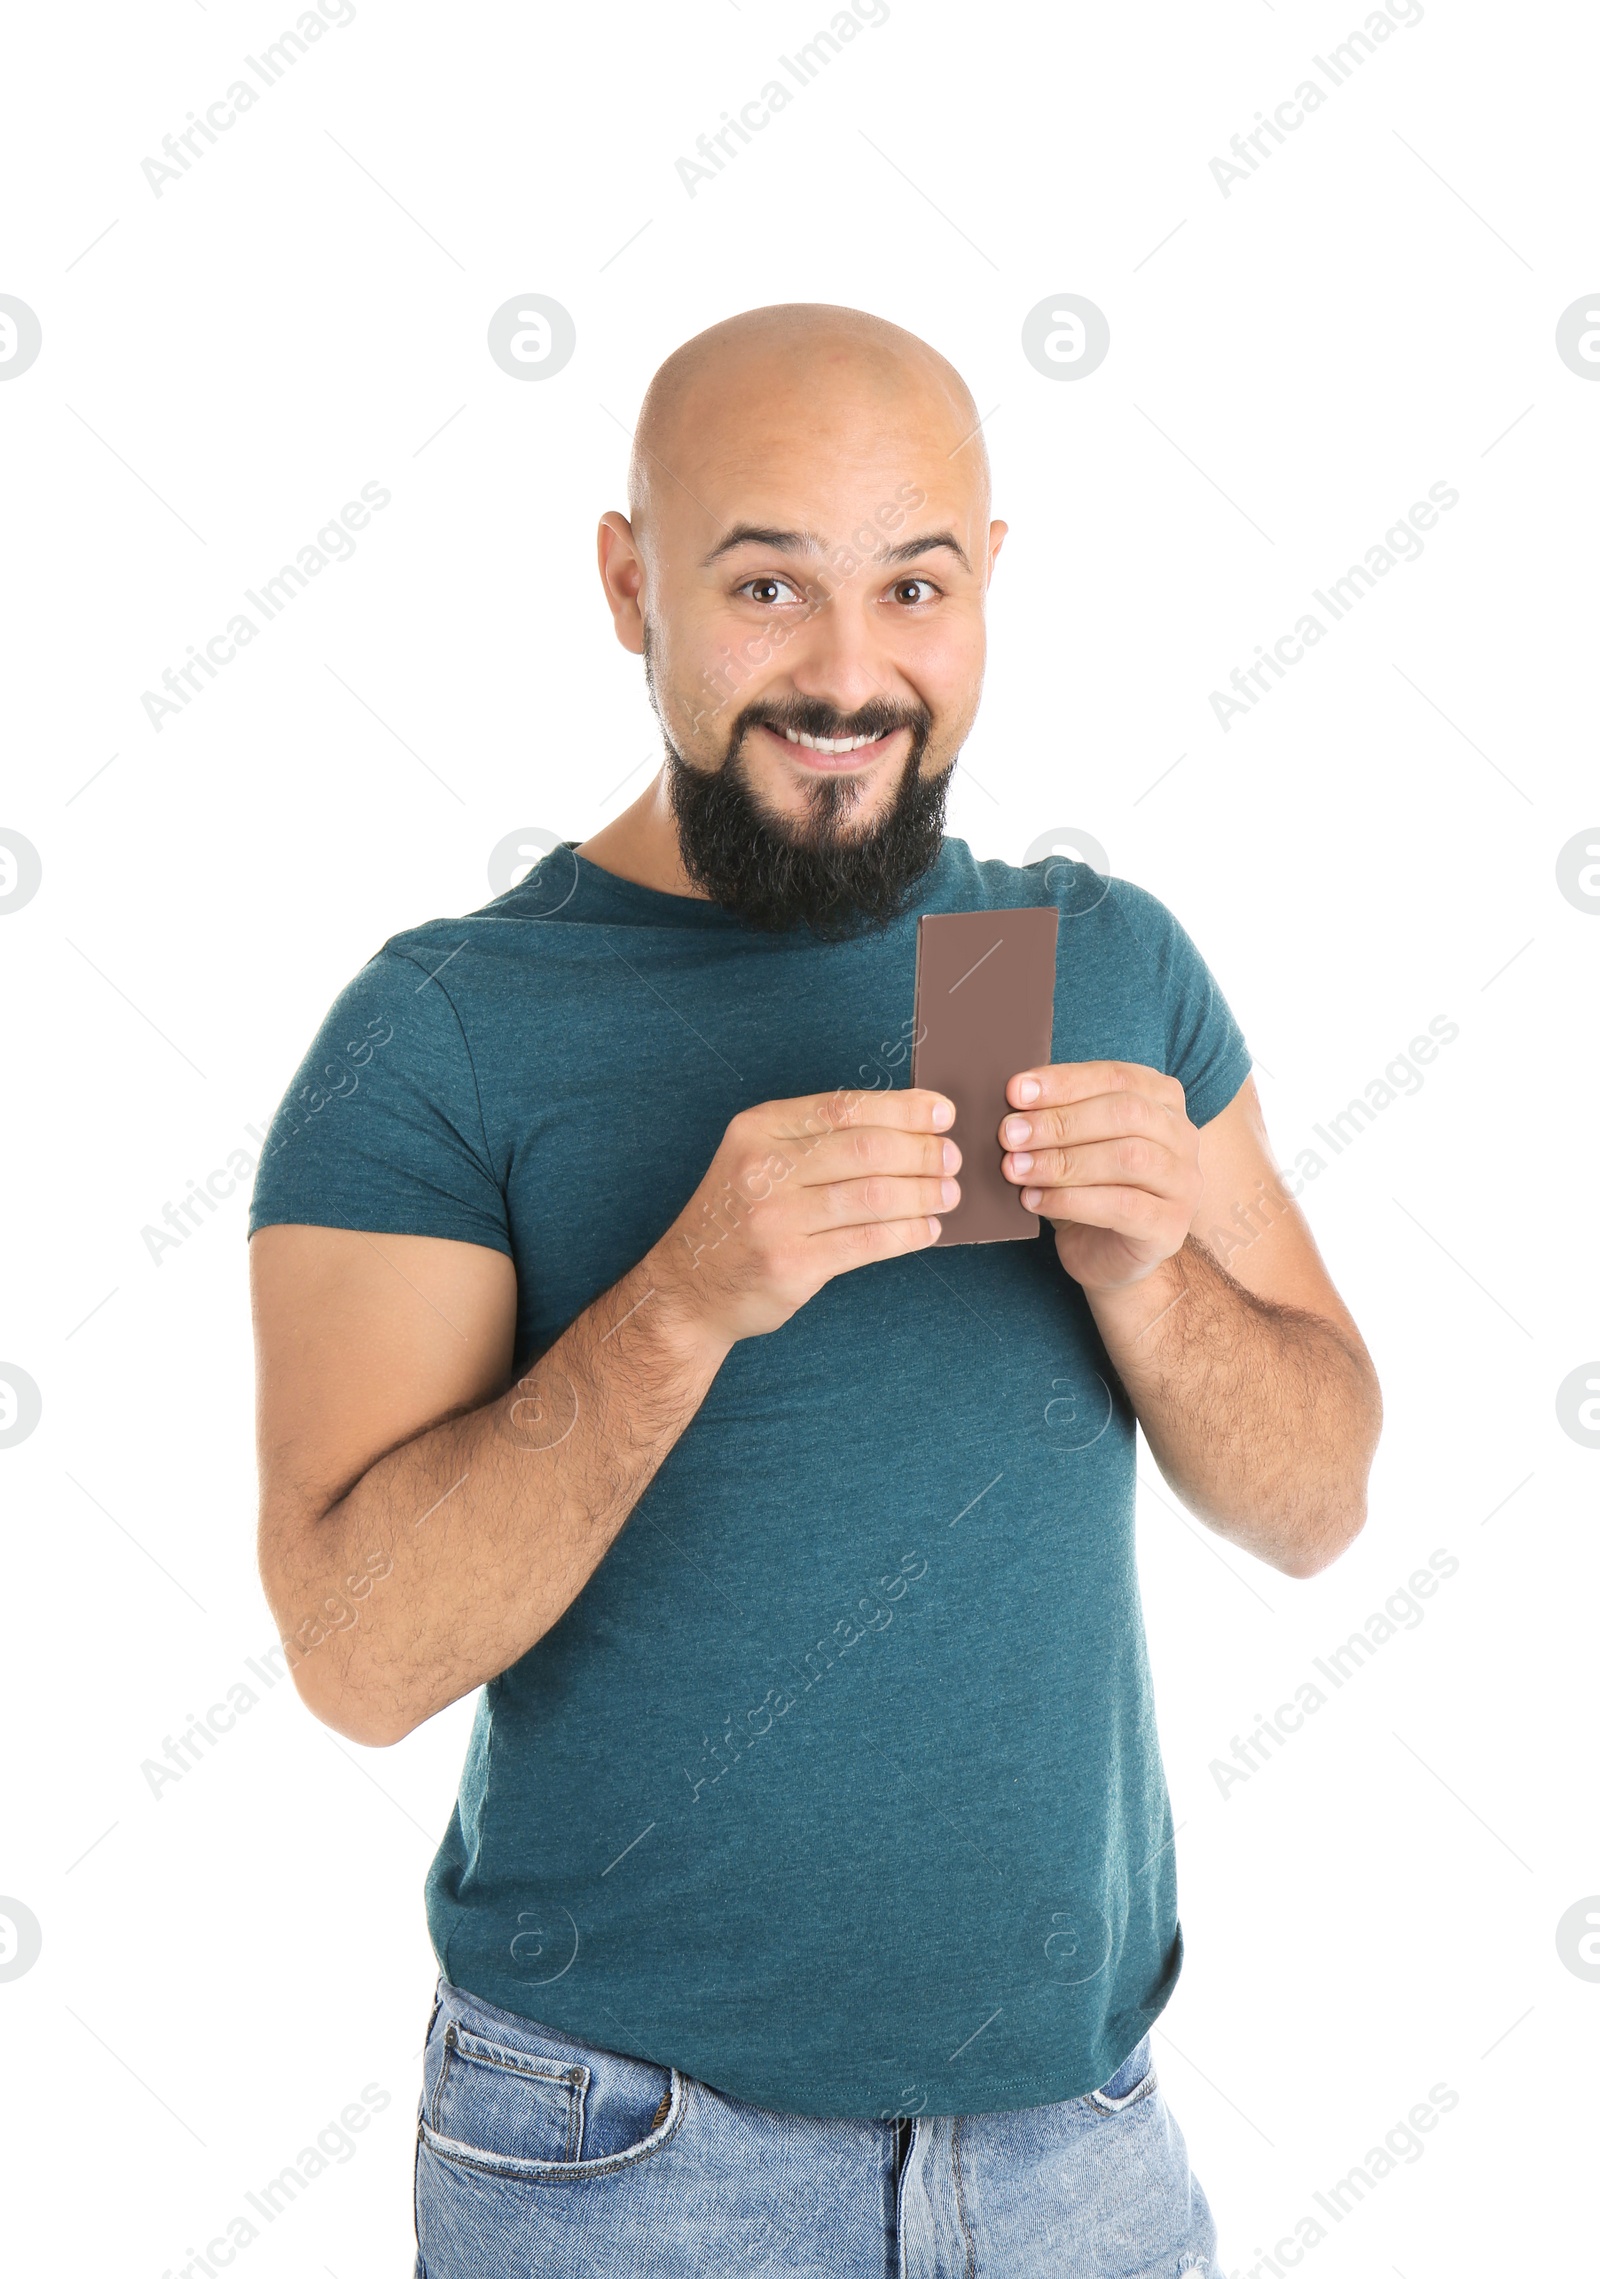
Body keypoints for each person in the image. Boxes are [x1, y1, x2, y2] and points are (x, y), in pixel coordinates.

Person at [247, 302, 1382, 2278]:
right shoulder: (438, 1031)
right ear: (629, 583)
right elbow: (354, 1654)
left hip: (1078, 2152)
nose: (849, 674)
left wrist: (1147, 1277)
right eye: (766, 584)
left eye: (910, 587)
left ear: (988, 587)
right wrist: (677, 1301)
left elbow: (1314, 1500)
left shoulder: (1092, 961)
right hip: (629, 2158)